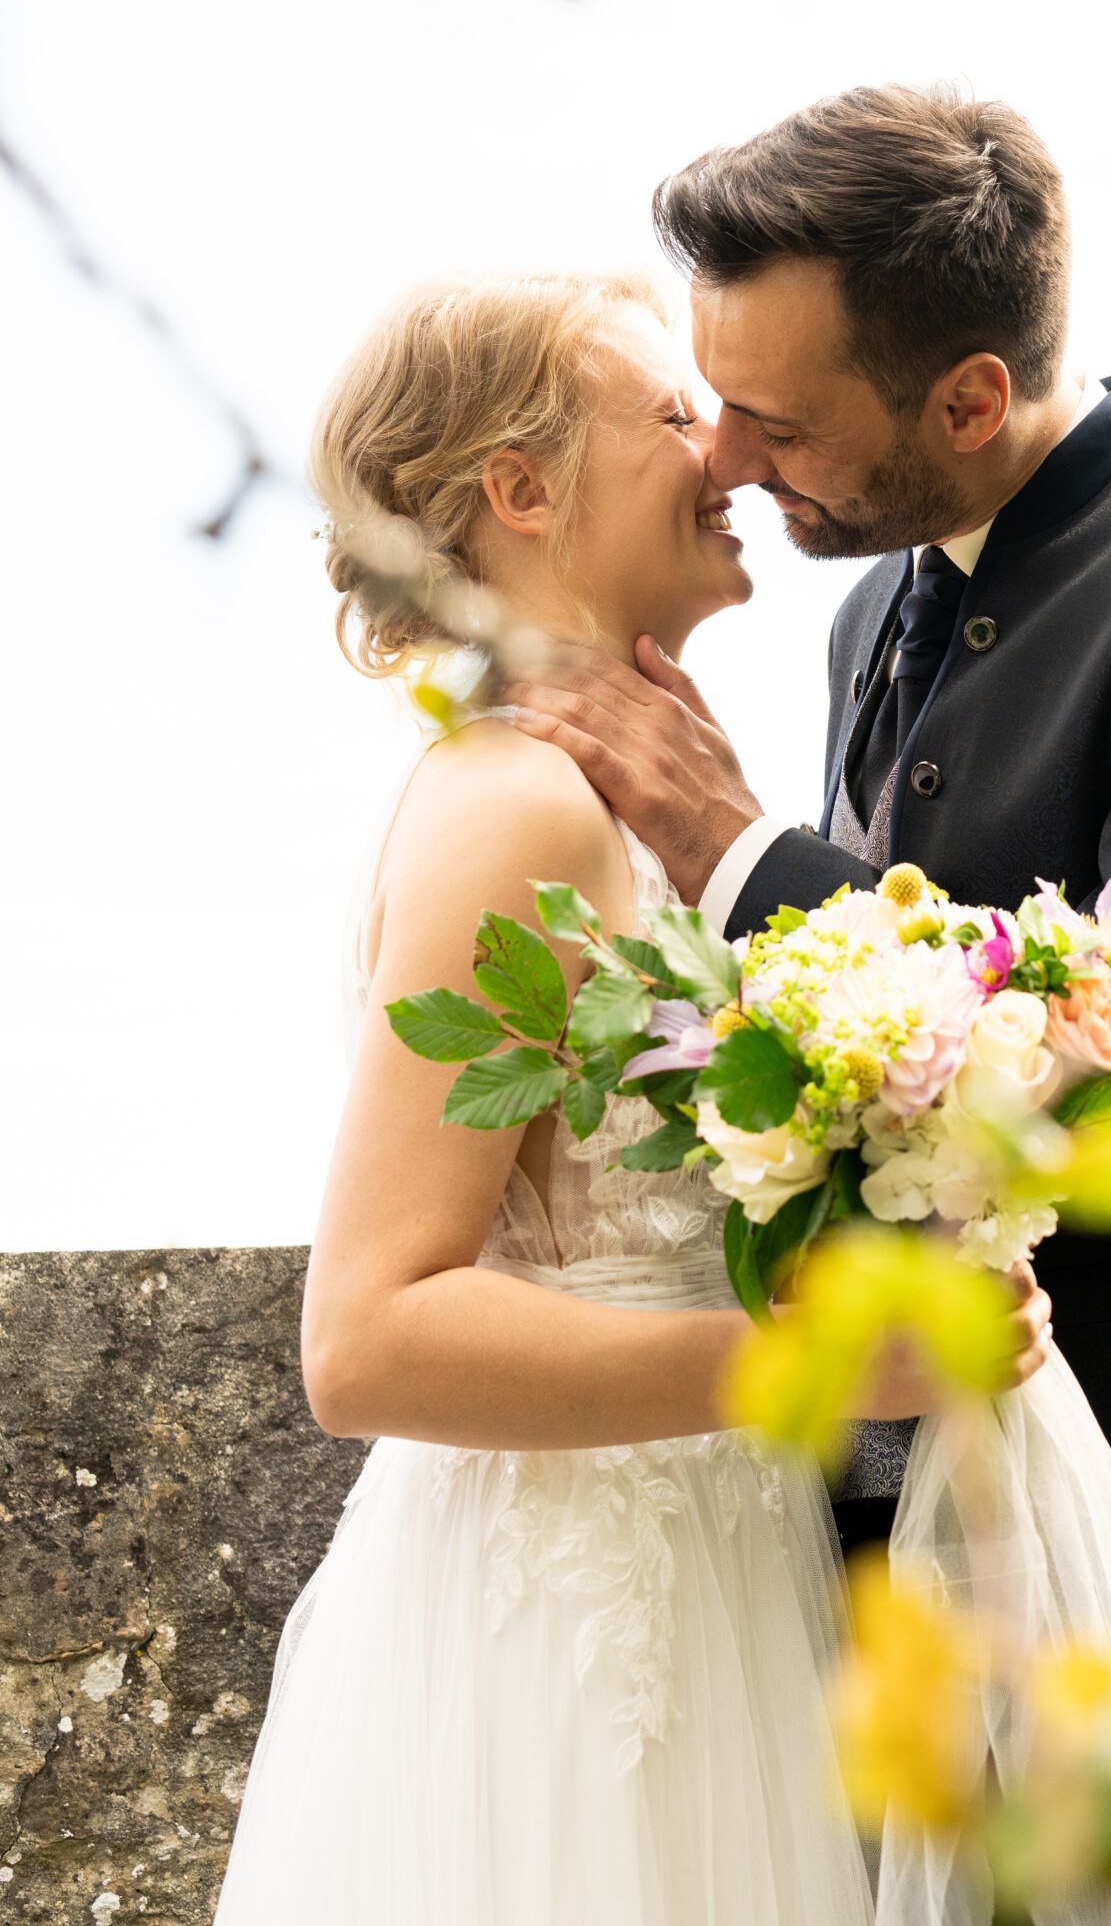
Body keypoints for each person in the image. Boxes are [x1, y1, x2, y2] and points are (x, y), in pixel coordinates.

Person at [506, 85, 1111, 1926]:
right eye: (713, 399)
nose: (732, 461)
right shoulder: (872, 612)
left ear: (971, 398)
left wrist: (737, 844)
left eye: (778, 420)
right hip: (881, 1556)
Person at [212, 267, 1057, 1926]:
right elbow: (367, 1336)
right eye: (676, 414)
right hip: (563, 1646)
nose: (730, 454)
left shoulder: (624, 800)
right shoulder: (511, 808)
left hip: (725, 1582)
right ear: (520, 493)